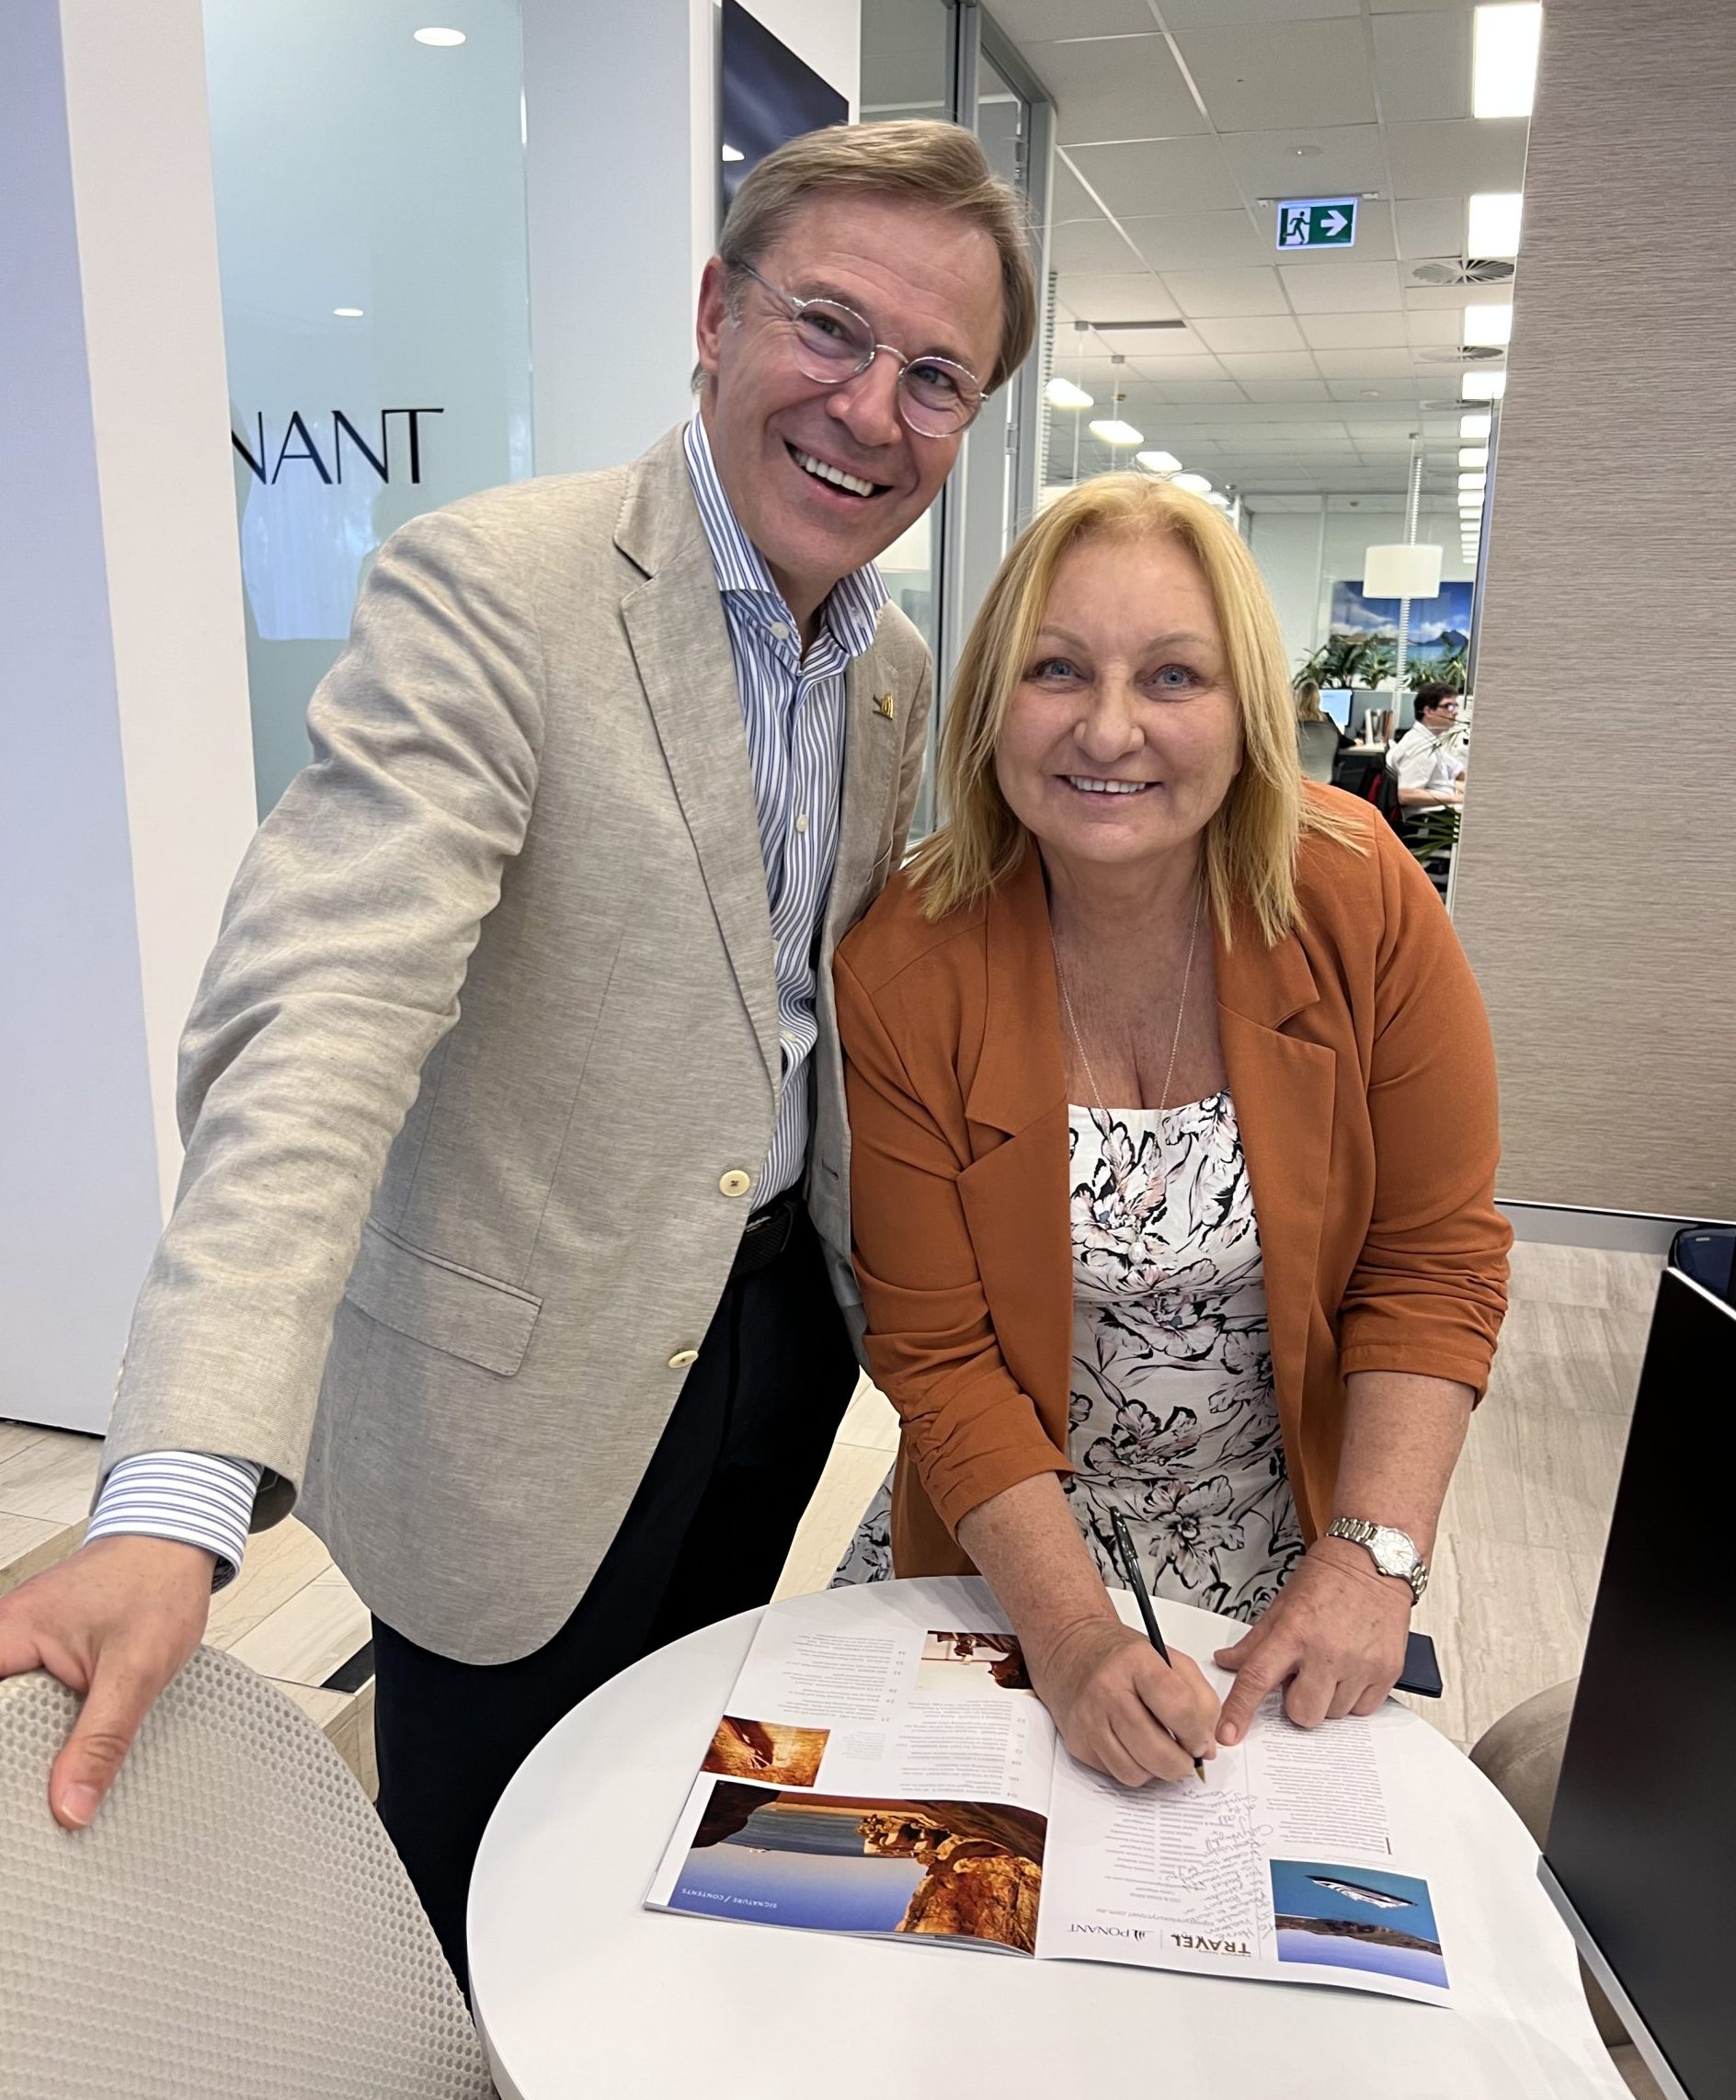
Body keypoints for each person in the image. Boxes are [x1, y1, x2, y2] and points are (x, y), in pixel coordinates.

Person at [0, 120, 1035, 1976]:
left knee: (678, 1808)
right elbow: (319, 1021)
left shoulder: (885, 670)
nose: (870, 409)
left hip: (775, 1342)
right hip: (513, 1389)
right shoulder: (495, 588)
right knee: (472, 1887)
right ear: (713, 314)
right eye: (827, 326)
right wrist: (174, 1490)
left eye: (934, 375)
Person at [831, 473, 1510, 1790]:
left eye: (1173, 677)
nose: (1109, 727)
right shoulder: (906, 966)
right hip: (1004, 1555)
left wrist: (1372, 1560)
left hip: (1296, 1550)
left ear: (1247, 709)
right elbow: (940, 1354)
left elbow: (1431, 1261)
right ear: (991, 704)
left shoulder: (1357, 894)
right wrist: (1071, 1633)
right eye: (1056, 669)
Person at [1388, 682, 1467, 808]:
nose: (1455, 712)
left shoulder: (1429, 739)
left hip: (1442, 805)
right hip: (1431, 816)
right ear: (1428, 711)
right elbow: (1406, 795)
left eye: (1455, 706)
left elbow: (1459, 772)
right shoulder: (1419, 747)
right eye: (1448, 706)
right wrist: (1456, 799)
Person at [1293, 677, 1348, 785]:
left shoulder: (1291, 724)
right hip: (1324, 784)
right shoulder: (1327, 721)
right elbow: (1343, 741)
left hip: (1296, 784)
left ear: (1298, 698)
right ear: (1318, 699)